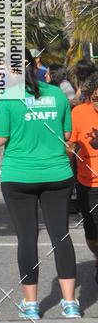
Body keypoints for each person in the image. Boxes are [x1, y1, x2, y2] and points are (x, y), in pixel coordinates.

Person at [0, 48, 79, 319]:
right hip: (57, 174)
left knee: (27, 237)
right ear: (35, 65)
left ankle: (31, 305)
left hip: (19, 176)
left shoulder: (7, 98)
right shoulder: (56, 94)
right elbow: (67, 133)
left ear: (11, 70)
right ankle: (70, 303)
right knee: (61, 235)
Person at [69, 72, 98, 285]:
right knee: (93, 233)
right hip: (88, 184)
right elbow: (70, 145)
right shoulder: (79, 113)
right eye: (96, 98)